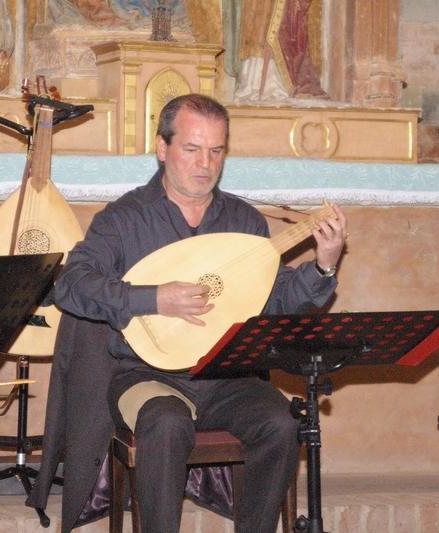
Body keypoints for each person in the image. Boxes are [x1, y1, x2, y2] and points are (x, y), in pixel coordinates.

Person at [51, 93, 347, 532]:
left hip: (226, 374)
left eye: (216, 150)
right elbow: (70, 285)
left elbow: (274, 299)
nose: (204, 163)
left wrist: (324, 264)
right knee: (167, 422)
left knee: (282, 424)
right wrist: (152, 298)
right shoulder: (124, 218)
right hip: (144, 373)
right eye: (191, 149)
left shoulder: (245, 222)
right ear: (162, 148)